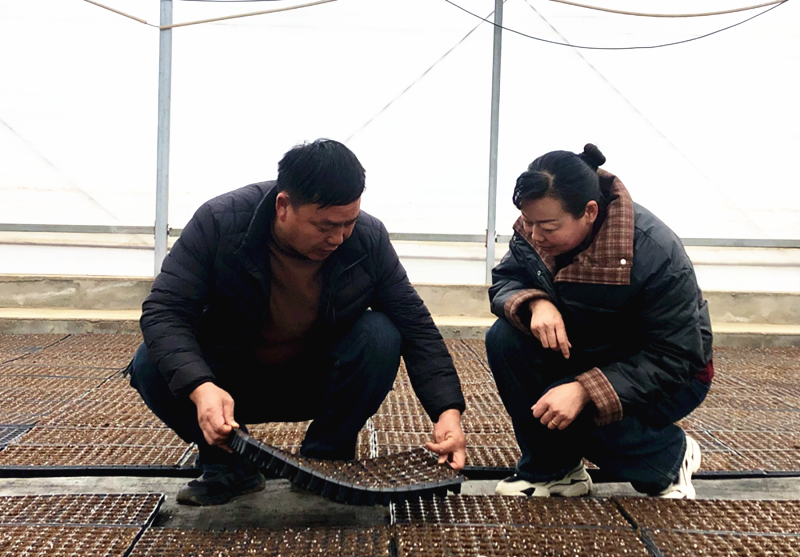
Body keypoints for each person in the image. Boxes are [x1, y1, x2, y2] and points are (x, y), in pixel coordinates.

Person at [127, 139, 466, 506]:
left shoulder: (368, 240)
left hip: (315, 382)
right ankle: (228, 466)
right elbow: (165, 310)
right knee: (151, 363)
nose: (338, 238)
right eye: (325, 226)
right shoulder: (219, 223)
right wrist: (201, 387)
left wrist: (447, 412)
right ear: (283, 206)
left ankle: (327, 459)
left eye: (348, 223)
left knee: (380, 335)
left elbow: (415, 326)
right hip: (229, 386)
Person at [486, 144, 713, 499]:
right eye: (527, 222)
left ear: (590, 212)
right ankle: (554, 471)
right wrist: (536, 303)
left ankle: (670, 457)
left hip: (672, 377)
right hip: (588, 352)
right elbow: (507, 279)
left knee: (575, 408)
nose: (534, 234)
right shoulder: (536, 230)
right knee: (505, 339)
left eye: (547, 226)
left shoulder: (653, 252)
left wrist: (585, 390)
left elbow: (677, 356)